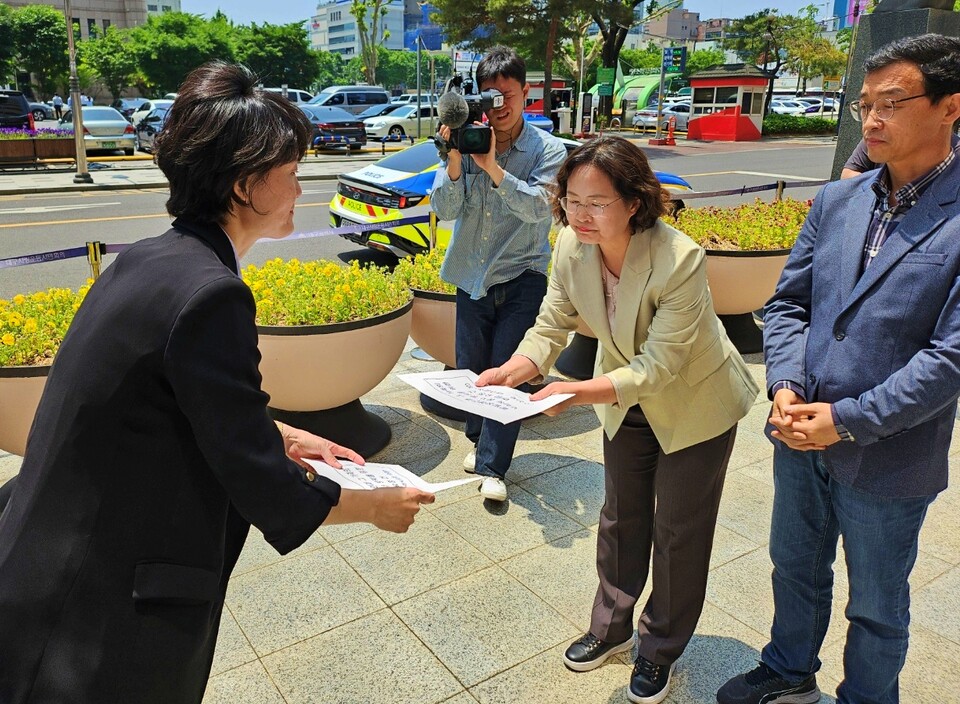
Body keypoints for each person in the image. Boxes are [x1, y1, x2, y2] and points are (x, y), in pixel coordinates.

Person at [0, 61, 434, 704]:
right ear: (245, 185)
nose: (299, 189)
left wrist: (282, 433)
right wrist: (373, 505)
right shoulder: (213, 295)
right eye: (289, 175)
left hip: (38, 563)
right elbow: (260, 484)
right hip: (97, 617)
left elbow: (180, 402)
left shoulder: (149, 258)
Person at [718, 34, 960, 704]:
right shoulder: (837, 201)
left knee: (878, 606)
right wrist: (786, 386)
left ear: (950, 107)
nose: (872, 120)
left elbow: (950, 357)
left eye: (892, 103)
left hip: (891, 450)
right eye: (864, 105)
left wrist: (847, 422)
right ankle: (790, 669)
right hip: (798, 431)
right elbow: (790, 302)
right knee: (794, 566)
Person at [476, 136, 759, 703]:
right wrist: (515, 367)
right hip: (622, 397)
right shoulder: (569, 246)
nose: (580, 214)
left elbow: (660, 365)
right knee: (620, 517)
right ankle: (609, 629)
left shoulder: (679, 258)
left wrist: (578, 393)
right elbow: (551, 321)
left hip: (693, 403)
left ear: (634, 202)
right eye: (571, 199)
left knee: (678, 529)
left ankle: (659, 650)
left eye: (597, 202)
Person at [430, 45, 566, 502]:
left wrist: (491, 167)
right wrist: (454, 157)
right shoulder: (466, 141)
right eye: (489, 96)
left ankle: (494, 466)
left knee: (507, 372)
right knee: (472, 372)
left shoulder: (548, 150)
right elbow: (444, 209)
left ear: (526, 93)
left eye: (507, 95)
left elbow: (538, 209)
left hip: (523, 274)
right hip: (471, 274)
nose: (499, 106)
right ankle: (481, 441)